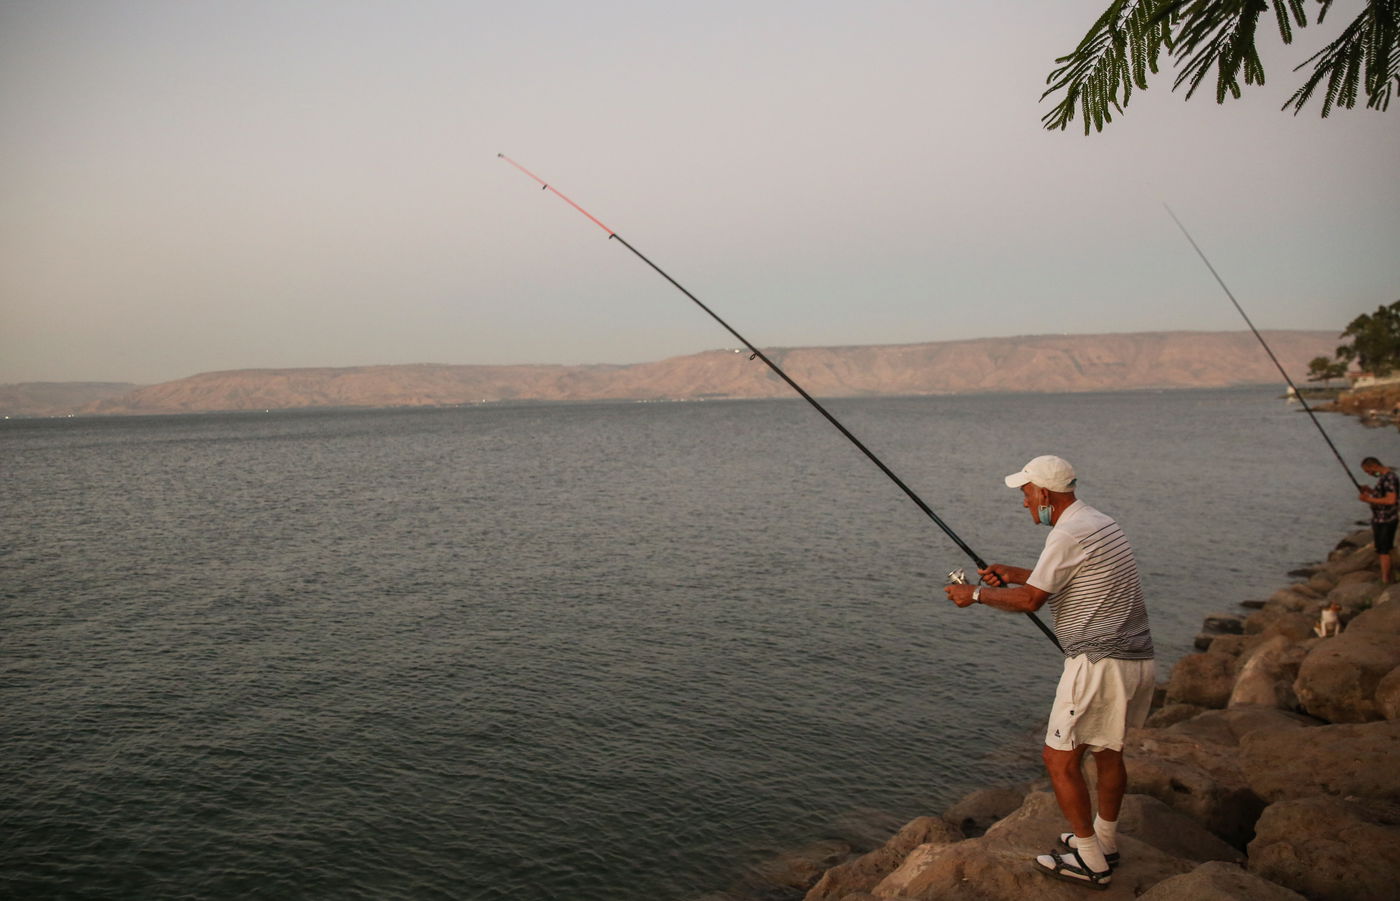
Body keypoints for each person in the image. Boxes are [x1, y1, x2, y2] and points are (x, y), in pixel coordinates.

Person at [943, 455, 1154, 890]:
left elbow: (1030, 602)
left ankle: (1090, 860)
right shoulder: (1098, 522)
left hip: (1096, 665)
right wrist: (1018, 573)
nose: (1023, 503)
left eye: (1025, 494)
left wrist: (975, 595)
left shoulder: (1067, 533)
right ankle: (1105, 842)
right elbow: (1067, 578)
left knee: (1058, 759)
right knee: (1108, 752)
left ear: (1043, 493)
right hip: (1135, 658)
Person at [1359, 457, 1398, 585]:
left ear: (1374, 466)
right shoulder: (1383, 478)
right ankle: (1388, 576)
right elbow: (1382, 495)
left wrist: (1368, 500)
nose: (1370, 474)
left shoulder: (1389, 478)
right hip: (1380, 519)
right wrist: (1370, 491)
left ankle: (1386, 580)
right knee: (1382, 549)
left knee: (1384, 550)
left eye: (1369, 471)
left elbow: (1391, 500)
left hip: (1387, 519)